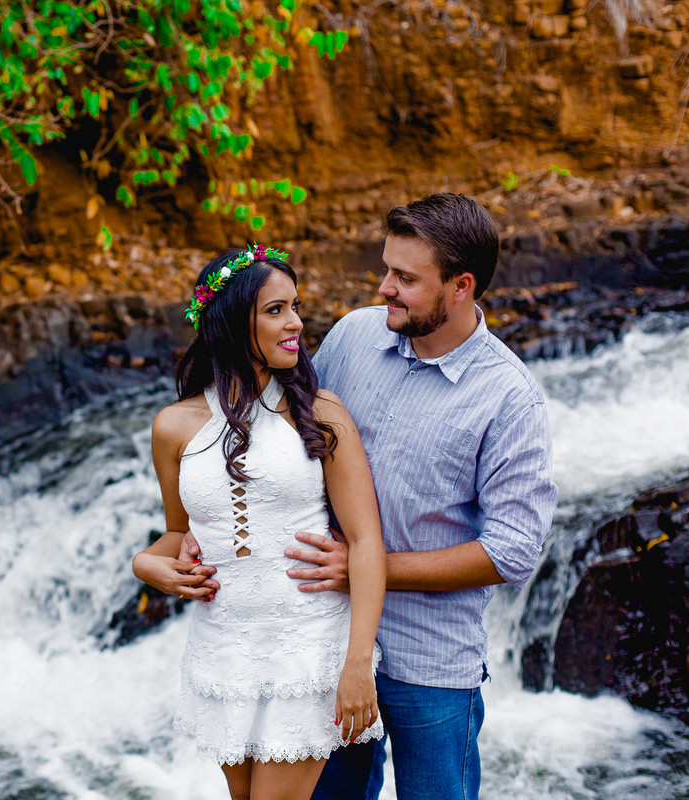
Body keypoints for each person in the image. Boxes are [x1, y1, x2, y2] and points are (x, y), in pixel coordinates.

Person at [170, 194, 558, 800]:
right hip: (318, 645)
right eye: (386, 269)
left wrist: (365, 567)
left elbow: (513, 552)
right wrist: (202, 530)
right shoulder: (354, 336)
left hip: (429, 661)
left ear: (461, 286)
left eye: (406, 278)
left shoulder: (510, 399)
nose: (384, 288)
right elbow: (276, 437)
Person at [132, 245, 387, 800]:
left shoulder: (320, 412)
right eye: (276, 310)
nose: (295, 323)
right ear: (228, 322)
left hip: (308, 647)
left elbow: (366, 540)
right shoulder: (173, 427)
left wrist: (357, 663)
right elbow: (179, 533)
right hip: (224, 650)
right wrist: (146, 565)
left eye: (295, 307)